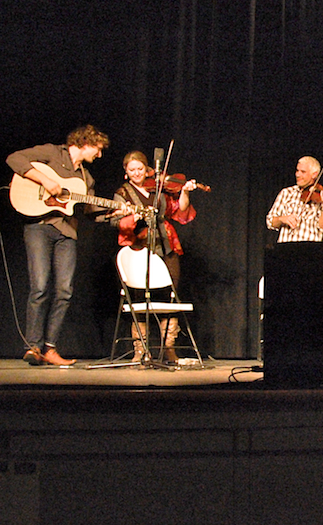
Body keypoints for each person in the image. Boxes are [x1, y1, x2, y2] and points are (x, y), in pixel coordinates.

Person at [6, 125, 110, 366]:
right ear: (86, 142)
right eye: (98, 149)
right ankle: (33, 346)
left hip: (67, 234)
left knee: (65, 290)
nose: (100, 155)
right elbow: (14, 158)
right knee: (40, 287)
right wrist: (45, 180)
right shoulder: (53, 153)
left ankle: (50, 348)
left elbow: (89, 212)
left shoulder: (87, 178)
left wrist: (117, 211)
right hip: (39, 227)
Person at [110, 151, 199, 363]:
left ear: (147, 168)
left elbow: (179, 210)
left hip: (165, 246)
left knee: (170, 296)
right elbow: (115, 222)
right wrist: (134, 216)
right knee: (140, 299)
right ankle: (140, 350)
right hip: (139, 249)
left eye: (140, 168)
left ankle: (168, 349)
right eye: (131, 170)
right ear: (126, 172)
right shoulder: (122, 193)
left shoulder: (158, 188)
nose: (136, 173)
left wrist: (185, 191)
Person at [266, 156, 323, 242]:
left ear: (314, 174)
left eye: (303, 172)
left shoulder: (320, 196)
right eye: (297, 170)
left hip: (310, 250)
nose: (298, 174)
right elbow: (269, 221)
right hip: (285, 250)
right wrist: (282, 219)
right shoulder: (286, 193)